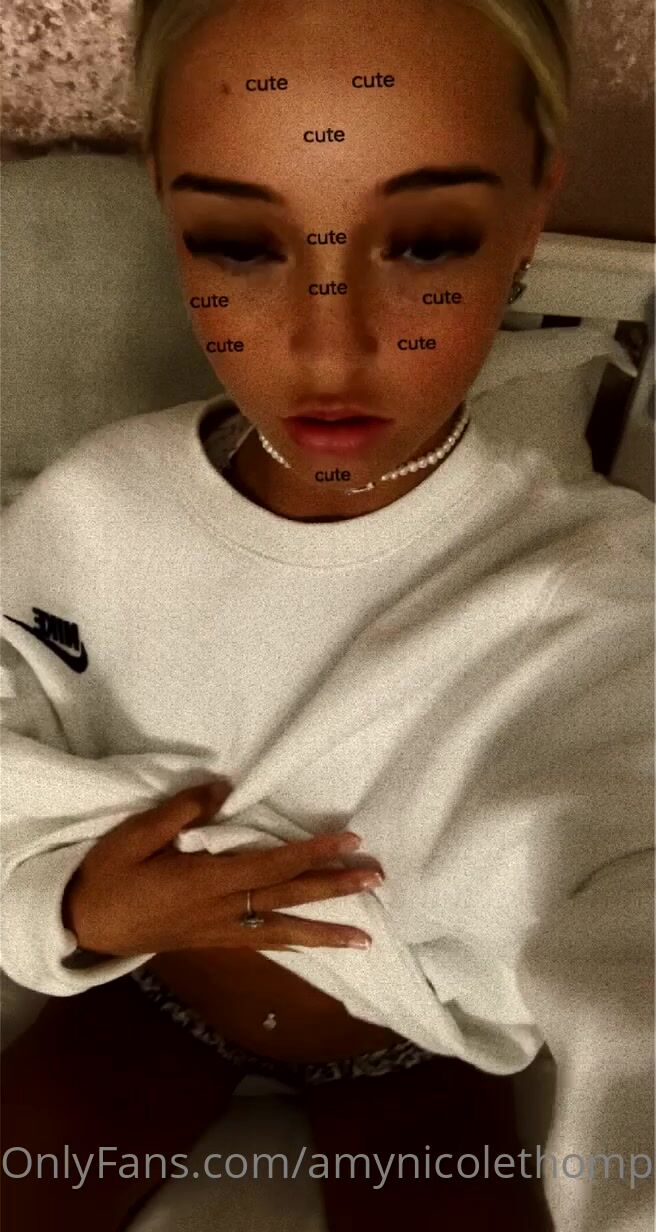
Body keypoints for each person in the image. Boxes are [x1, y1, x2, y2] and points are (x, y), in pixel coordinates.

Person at [1, 0, 653, 1229]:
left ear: (532, 208)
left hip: (409, 1056)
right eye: (237, 245)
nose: (326, 344)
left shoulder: (601, 602)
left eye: (427, 241)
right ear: (165, 205)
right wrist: (73, 903)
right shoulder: (86, 510)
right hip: (150, 1001)